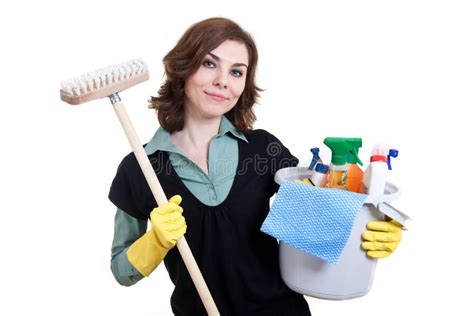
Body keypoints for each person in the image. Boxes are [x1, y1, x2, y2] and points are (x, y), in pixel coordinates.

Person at [108, 17, 402, 316]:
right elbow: (122, 271)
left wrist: (369, 230)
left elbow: (321, 222)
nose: (223, 80)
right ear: (183, 68)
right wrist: (154, 241)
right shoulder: (140, 168)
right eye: (210, 64)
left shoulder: (262, 149)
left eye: (236, 72)